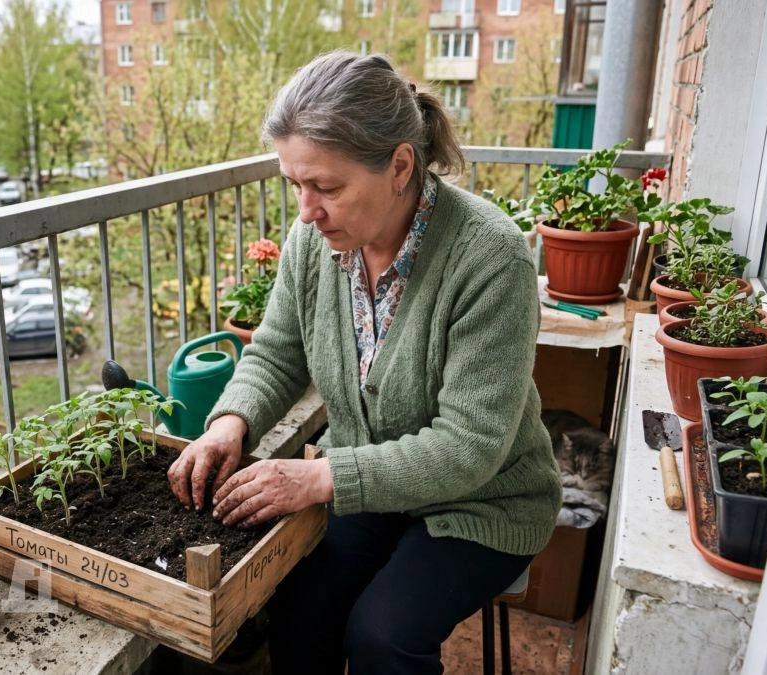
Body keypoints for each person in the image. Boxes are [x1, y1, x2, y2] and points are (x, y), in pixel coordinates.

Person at [167, 51, 561, 674]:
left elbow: (471, 445)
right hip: (375, 494)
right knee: (297, 611)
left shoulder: (491, 257)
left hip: (484, 502)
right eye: (295, 184)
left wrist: (321, 478)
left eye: (326, 187)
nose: (305, 210)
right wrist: (230, 422)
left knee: (383, 636)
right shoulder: (314, 243)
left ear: (400, 165)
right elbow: (276, 350)